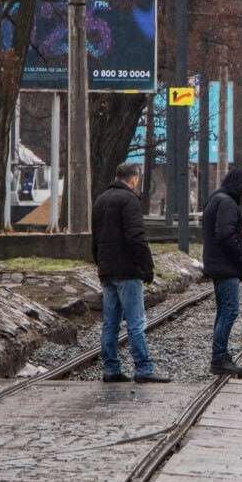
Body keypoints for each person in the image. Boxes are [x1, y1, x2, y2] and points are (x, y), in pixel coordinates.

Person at [92, 162, 169, 384]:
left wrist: (101, 264)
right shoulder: (129, 200)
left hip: (107, 270)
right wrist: (147, 267)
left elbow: (95, 238)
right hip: (127, 270)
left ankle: (110, 368)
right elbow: (136, 237)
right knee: (136, 321)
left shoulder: (101, 200)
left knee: (110, 322)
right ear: (134, 178)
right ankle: (144, 368)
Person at [202, 168, 242, 375]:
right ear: (239, 186)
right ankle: (218, 357)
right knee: (230, 310)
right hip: (225, 266)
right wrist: (241, 257)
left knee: (224, 310)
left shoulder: (216, 199)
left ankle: (221, 355)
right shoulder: (227, 203)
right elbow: (226, 234)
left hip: (217, 264)